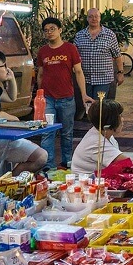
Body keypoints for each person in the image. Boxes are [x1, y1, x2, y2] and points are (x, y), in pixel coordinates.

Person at [0, 50, 47, 175]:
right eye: (4, 66)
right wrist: (13, 117)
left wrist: (11, 80)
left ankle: (10, 180)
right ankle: (9, 182)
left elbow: (12, 98)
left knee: (33, 153)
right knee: (41, 157)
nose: (7, 69)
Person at [36, 17, 93, 170]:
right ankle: (48, 166)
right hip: (48, 98)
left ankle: (67, 163)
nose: (49, 32)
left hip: (67, 98)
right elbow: (40, 74)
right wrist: (39, 95)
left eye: (52, 29)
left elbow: (79, 72)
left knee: (67, 133)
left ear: (60, 30)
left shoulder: (70, 48)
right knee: (47, 132)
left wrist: (84, 94)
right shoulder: (43, 52)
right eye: (46, 30)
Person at [73, 8, 123, 101]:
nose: (94, 19)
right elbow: (74, 55)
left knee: (99, 108)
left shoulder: (109, 35)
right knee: (88, 107)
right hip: (85, 79)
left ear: (100, 18)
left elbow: (117, 55)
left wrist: (120, 72)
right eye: (91, 17)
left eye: (96, 16)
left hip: (103, 79)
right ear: (87, 19)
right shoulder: (79, 35)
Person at [71, 99, 129, 175]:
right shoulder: (96, 142)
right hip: (85, 184)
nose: (122, 119)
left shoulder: (104, 134)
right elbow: (128, 163)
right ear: (110, 120)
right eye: (119, 116)